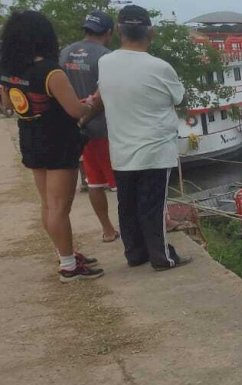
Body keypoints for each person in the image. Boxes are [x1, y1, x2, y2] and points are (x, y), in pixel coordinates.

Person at [0, 10, 104, 282]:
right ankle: (69, 266)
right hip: (58, 142)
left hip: (30, 138)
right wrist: (91, 101)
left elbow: (9, 106)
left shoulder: (9, 70)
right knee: (60, 207)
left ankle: (65, 254)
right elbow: (74, 111)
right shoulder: (50, 71)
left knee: (48, 204)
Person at [97, 5, 190, 271]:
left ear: (118, 31)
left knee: (127, 206)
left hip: (121, 148)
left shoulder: (105, 62)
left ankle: (135, 254)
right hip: (154, 149)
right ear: (152, 31)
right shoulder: (160, 67)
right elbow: (179, 97)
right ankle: (163, 258)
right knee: (152, 207)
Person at [60, 10, 118, 243]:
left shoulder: (65, 53)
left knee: (94, 182)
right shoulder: (106, 56)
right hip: (106, 129)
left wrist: (78, 119)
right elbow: (105, 93)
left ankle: (107, 230)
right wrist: (87, 114)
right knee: (123, 184)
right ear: (109, 32)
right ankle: (134, 228)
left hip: (80, 131)